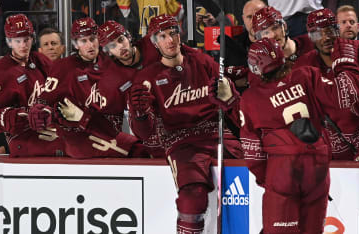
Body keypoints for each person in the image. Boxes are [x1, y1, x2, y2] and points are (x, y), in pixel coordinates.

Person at [211, 37, 359, 233]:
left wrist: (269, 180)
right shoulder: (307, 75)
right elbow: (345, 95)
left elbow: (253, 152)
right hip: (317, 171)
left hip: (282, 173)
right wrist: (347, 62)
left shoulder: (251, 98)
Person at [128, 14, 242, 233]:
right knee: (192, 197)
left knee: (252, 172)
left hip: (216, 133)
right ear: (155, 43)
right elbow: (144, 133)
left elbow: (233, 105)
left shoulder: (202, 61)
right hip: (181, 142)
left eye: (173, 33)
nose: (170, 40)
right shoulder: (147, 77)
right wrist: (140, 114)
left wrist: (228, 96)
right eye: (162, 36)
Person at [37, 17, 148, 158]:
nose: (90, 45)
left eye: (92, 39)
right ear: (75, 45)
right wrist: (42, 111)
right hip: (82, 139)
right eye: (83, 41)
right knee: (140, 152)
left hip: (110, 132)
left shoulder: (113, 61)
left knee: (144, 150)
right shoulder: (64, 67)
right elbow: (43, 102)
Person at [0, 14, 64, 157]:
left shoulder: (40, 60)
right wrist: (24, 116)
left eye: (26, 40)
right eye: (18, 41)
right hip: (22, 136)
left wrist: (52, 112)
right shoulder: (1, 70)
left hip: (49, 128)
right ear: (9, 42)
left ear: (32, 38)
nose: (23, 45)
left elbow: (60, 91)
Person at [294, 9, 359, 161]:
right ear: (310, 38)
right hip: (327, 150)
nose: (325, 38)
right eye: (317, 34)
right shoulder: (304, 64)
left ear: (337, 30)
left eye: (329, 31)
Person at [98, 20, 164, 158]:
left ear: (128, 36)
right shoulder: (111, 79)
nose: (120, 47)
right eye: (112, 45)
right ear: (108, 51)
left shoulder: (153, 44)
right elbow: (111, 124)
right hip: (149, 130)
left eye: (121, 40)